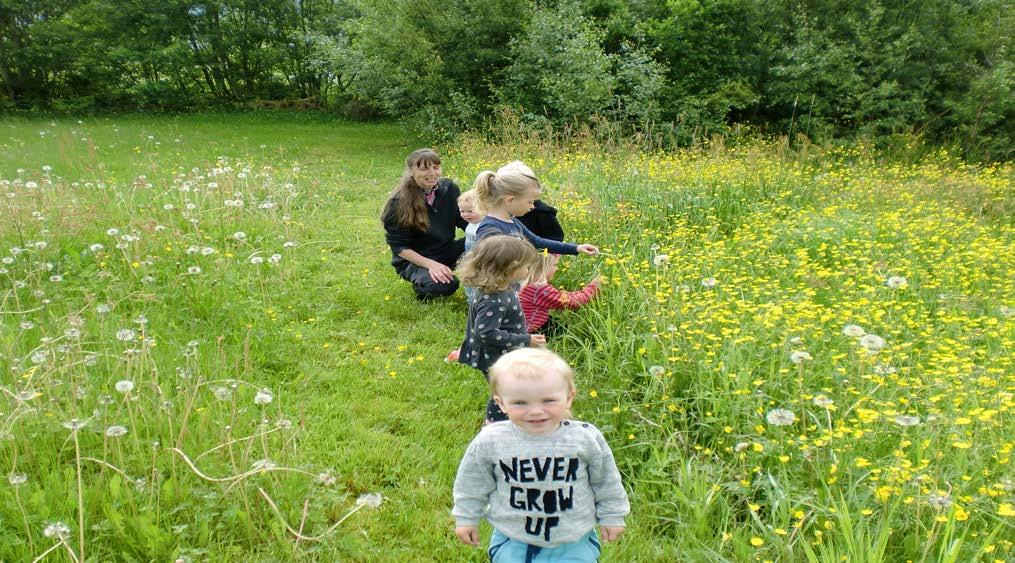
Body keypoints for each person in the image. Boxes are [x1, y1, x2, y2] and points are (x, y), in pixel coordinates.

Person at [452, 348, 629, 562]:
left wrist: (612, 515)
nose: (535, 411)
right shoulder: (492, 440)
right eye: (520, 403)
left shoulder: (584, 438)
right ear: (500, 403)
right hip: (513, 537)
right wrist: (466, 517)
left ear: (569, 397)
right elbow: (472, 482)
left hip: (574, 538)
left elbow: (606, 479)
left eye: (548, 401)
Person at [456, 235, 546, 423]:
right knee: (506, 390)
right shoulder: (493, 298)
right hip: (495, 355)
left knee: (511, 388)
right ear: (510, 268)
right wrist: (525, 340)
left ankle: (508, 418)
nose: (528, 270)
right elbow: (486, 333)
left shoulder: (502, 286)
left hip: (503, 352)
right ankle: (495, 424)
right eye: (525, 266)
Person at [381, 148, 467, 300]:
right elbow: (400, 248)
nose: (432, 173)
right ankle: (422, 283)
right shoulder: (398, 203)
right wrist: (432, 265)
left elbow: (463, 221)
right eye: (424, 168)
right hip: (414, 260)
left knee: (487, 244)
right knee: (446, 285)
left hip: (446, 250)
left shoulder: (450, 189)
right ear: (411, 171)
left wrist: (485, 235)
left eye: (435, 167)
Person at [473, 161, 598, 257]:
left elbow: (538, 242)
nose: (533, 206)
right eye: (530, 201)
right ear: (509, 200)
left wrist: (576, 248)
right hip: (497, 290)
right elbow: (486, 264)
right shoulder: (489, 228)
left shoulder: (514, 222)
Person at [520, 253, 601, 336]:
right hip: (533, 331)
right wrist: (593, 289)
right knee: (568, 333)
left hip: (529, 325)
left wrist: (582, 291)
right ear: (543, 268)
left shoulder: (528, 284)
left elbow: (562, 296)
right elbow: (570, 302)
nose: (557, 268)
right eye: (555, 265)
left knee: (560, 325)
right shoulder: (539, 289)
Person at [458, 189, 486, 303]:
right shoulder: (471, 224)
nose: (465, 214)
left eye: (470, 211)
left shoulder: (484, 225)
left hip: (481, 259)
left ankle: (480, 302)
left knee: (480, 280)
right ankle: (471, 302)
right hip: (470, 257)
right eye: (462, 211)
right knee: (469, 279)